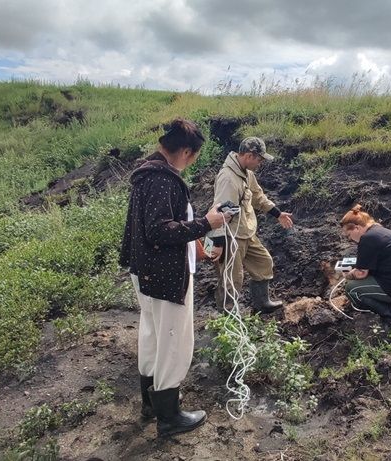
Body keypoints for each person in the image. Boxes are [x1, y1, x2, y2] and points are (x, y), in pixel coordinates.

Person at [118, 118, 230, 437]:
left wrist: (196, 246)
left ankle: (151, 404)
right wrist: (206, 224)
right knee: (173, 342)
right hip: (165, 275)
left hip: (145, 270)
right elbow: (159, 230)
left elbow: (149, 227)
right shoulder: (163, 179)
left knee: (153, 335)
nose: (191, 162)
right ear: (185, 152)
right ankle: (169, 417)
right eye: (193, 156)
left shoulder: (146, 174)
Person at [208, 137, 295, 314]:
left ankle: (262, 303)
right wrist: (217, 243)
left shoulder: (247, 174)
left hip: (246, 231)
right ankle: (228, 315)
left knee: (264, 262)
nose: (260, 163)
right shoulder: (228, 178)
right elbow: (220, 212)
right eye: (259, 159)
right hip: (229, 236)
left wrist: (277, 213)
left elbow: (257, 197)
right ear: (249, 156)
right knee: (232, 278)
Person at [339, 205, 391, 328]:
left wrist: (348, 275)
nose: (350, 239)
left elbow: (361, 274)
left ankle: (390, 315)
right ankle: (389, 305)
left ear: (356, 228)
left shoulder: (367, 239)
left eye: (349, 235)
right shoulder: (379, 231)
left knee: (351, 289)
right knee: (359, 279)